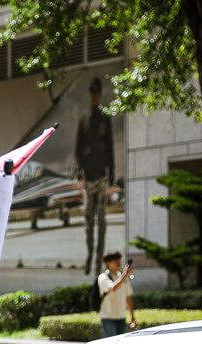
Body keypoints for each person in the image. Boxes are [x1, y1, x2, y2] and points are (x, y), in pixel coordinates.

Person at [75, 77, 116, 274]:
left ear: (100, 94)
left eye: (96, 93)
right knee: (88, 221)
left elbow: (110, 149)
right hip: (88, 177)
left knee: (101, 219)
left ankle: (100, 257)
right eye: (92, 93)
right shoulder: (84, 120)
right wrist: (79, 175)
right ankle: (90, 254)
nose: (94, 96)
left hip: (101, 177)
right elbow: (78, 149)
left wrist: (112, 179)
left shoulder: (105, 120)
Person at [95, 250, 136, 336]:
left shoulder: (122, 277)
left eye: (119, 260)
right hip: (108, 318)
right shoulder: (103, 277)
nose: (118, 262)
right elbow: (113, 288)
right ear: (107, 262)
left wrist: (132, 316)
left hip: (121, 317)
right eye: (115, 260)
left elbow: (128, 297)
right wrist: (125, 275)